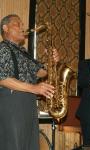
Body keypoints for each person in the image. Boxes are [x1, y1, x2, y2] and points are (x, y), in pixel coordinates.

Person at [0, 14, 60, 150]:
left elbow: (40, 72)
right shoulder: (2, 48)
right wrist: (34, 88)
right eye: (17, 24)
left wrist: (51, 61)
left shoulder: (23, 51)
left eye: (22, 24)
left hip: (28, 103)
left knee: (29, 145)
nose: (22, 27)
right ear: (5, 28)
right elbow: (2, 78)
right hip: (12, 104)